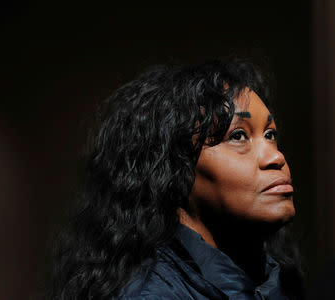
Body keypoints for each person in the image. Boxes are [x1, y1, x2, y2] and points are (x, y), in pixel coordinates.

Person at [50, 59, 304, 299]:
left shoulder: (273, 280)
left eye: (270, 135)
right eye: (237, 136)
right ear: (177, 169)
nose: (275, 156)